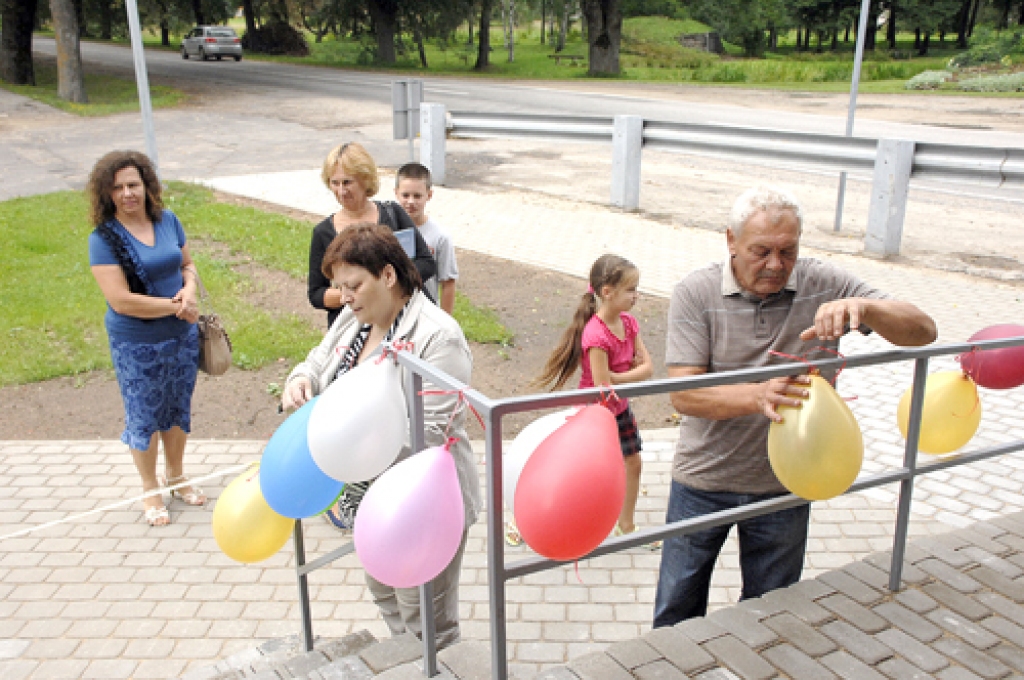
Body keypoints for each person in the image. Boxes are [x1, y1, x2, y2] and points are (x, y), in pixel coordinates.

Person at [654, 185, 937, 626]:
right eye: (760, 250)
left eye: (788, 251)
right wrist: (757, 395)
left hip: (787, 484)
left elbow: (924, 332)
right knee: (677, 609)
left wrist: (865, 308)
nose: (775, 264)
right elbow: (684, 395)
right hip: (705, 478)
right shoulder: (695, 291)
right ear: (730, 239)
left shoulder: (825, 282)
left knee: (772, 615)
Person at [281, 223, 481, 649]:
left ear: (388, 276)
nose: (343, 296)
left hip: (423, 499)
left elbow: (431, 432)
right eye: (339, 287)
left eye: (353, 285)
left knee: (424, 612)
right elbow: (318, 361)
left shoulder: (438, 336)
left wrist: (351, 439)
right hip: (369, 492)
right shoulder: (355, 321)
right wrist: (300, 380)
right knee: (384, 591)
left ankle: (433, 667)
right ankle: (405, 660)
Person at [87, 150, 208, 527]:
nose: (127, 193)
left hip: (181, 335)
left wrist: (189, 290)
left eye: (133, 185)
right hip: (136, 342)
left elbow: (187, 264)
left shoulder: (168, 220)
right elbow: (120, 300)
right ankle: (149, 487)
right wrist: (175, 306)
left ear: (146, 186)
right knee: (144, 416)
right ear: (107, 194)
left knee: (176, 409)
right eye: (118, 187)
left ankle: (176, 476)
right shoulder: (103, 238)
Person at [531, 254, 657, 549]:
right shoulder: (595, 334)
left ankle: (626, 525)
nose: (636, 296)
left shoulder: (629, 323)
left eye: (637, 288)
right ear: (607, 292)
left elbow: (648, 368)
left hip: (620, 409)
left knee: (633, 463)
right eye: (630, 290)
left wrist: (619, 376)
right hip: (594, 416)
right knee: (578, 473)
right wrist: (625, 374)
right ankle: (542, 514)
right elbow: (602, 384)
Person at [308, 142, 437, 328]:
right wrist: (353, 295)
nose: (341, 191)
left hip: (404, 322)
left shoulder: (394, 214)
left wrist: (389, 285)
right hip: (353, 331)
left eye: (347, 182)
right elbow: (316, 294)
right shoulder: (323, 232)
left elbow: (426, 263)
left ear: (365, 180)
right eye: (334, 183)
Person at [395, 162, 459, 315]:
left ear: (429, 195)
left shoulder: (440, 237)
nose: (411, 201)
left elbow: (448, 283)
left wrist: (445, 322)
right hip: (393, 315)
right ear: (396, 193)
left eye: (417, 196)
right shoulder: (387, 231)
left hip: (425, 314)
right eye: (405, 195)